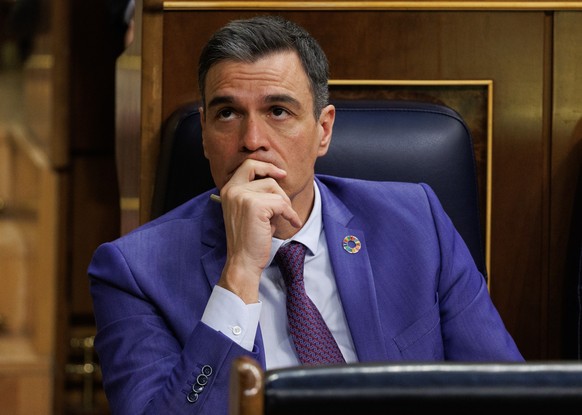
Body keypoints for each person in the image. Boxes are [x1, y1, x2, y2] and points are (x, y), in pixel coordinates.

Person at [88, 15, 524, 415]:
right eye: (227, 114)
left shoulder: (416, 224)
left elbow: (507, 396)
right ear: (204, 135)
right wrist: (238, 276)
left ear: (323, 130)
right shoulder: (133, 271)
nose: (252, 140)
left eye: (278, 111)